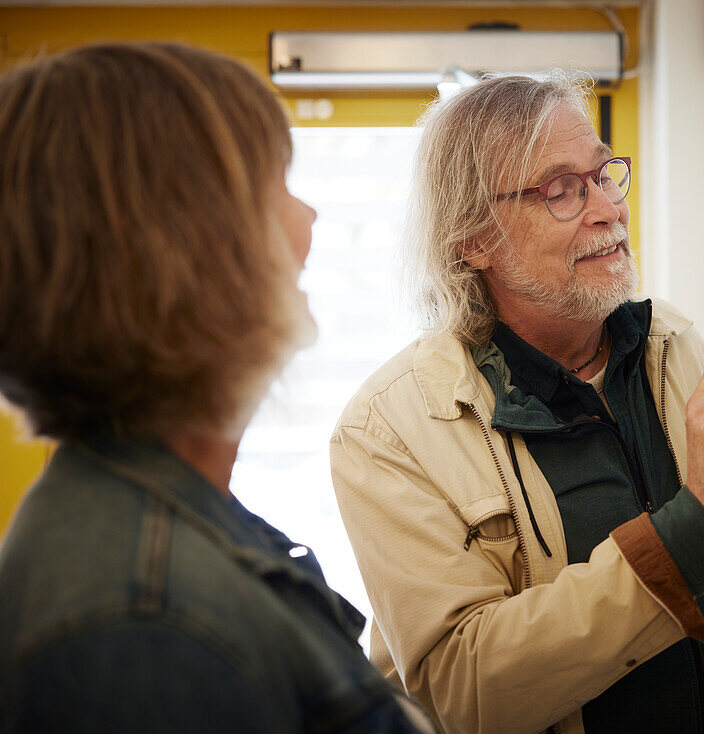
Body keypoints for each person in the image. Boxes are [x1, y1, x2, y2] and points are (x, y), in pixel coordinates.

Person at [330, 73, 704, 734]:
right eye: (561, 189)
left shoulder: (667, 340)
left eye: (605, 174)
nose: (608, 208)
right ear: (472, 239)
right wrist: (686, 530)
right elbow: (462, 691)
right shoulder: (387, 430)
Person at [0, 43, 431, 733]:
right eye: (276, 184)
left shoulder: (171, 529)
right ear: (187, 247)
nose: (308, 222)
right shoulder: (141, 622)